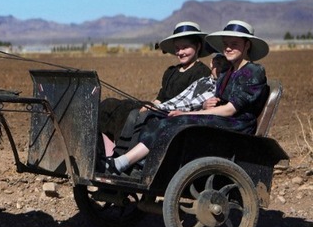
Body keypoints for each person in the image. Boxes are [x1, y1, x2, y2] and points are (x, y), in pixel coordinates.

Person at [104, 20, 270, 175]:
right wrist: (206, 105)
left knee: (178, 121)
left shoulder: (254, 72)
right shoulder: (228, 72)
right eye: (226, 44)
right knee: (162, 120)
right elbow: (219, 101)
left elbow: (229, 109)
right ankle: (131, 162)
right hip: (222, 120)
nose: (227, 48)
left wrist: (188, 114)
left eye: (234, 44)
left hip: (237, 125)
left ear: (247, 45)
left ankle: (126, 162)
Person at [98, 21, 211, 142]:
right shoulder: (171, 71)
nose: (180, 52)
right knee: (110, 105)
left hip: (172, 114)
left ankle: (123, 149)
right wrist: (151, 105)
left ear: (198, 46)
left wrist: (157, 108)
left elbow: (192, 103)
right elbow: (160, 98)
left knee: (131, 112)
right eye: (177, 48)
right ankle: (105, 150)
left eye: (185, 47)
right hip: (159, 108)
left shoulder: (202, 72)